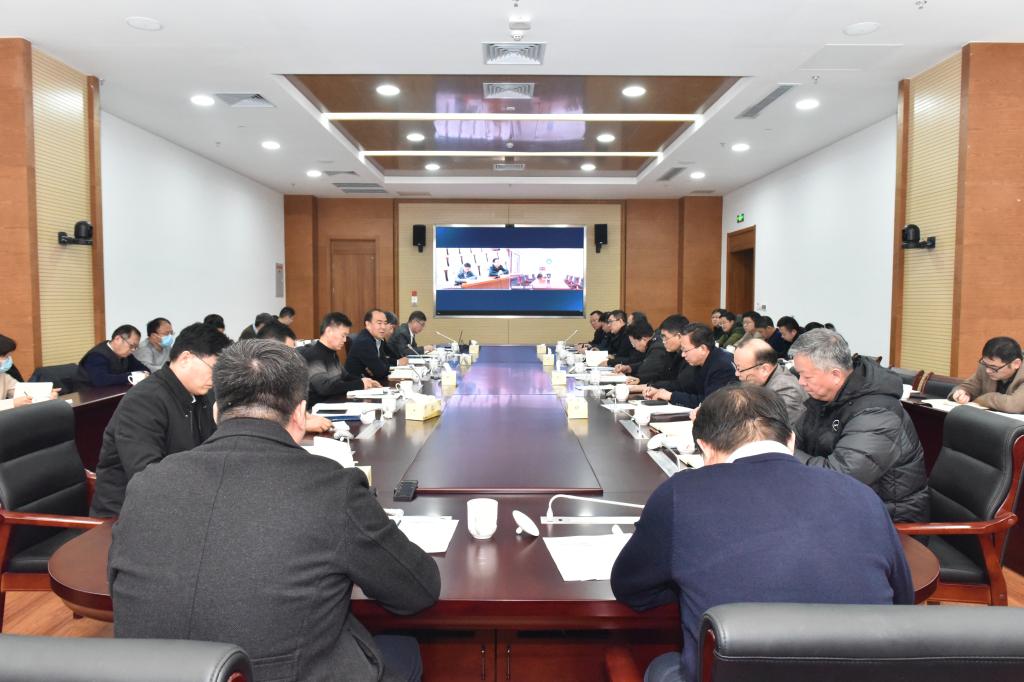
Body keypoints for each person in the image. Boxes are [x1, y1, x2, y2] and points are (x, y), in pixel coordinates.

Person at [109, 340, 440, 682]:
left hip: (151, 674)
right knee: (405, 649)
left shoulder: (147, 483)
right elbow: (417, 591)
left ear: (216, 411)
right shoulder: (331, 488)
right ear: (300, 414)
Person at [611, 384, 913, 682]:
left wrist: (687, 582)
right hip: (863, 673)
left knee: (662, 665)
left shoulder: (680, 493)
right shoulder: (861, 494)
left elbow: (631, 588)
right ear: (790, 440)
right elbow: (902, 599)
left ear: (704, 446)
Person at [90, 323, 231, 517]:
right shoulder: (143, 401)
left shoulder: (203, 396)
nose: (216, 379)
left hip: (178, 501)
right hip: (128, 513)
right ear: (186, 359)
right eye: (213, 369)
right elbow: (146, 475)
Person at [790, 329, 928, 522]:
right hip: (846, 506)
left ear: (835, 375)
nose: (800, 382)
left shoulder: (877, 414)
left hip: (886, 520)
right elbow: (794, 437)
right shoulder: (825, 399)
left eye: (806, 376)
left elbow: (841, 478)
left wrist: (785, 450)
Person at [256, 320, 336, 434]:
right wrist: (301, 425)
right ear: (269, 349)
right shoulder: (251, 378)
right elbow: (256, 424)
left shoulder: (280, 375)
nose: (292, 357)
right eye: (288, 352)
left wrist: (303, 416)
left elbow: (280, 410)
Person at [299, 312, 382, 406]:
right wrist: (360, 384)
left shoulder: (331, 353)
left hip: (334, 402)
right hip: (318, 408)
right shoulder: (313, 355)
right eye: (343, 335)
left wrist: (366, 381)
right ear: (329, 331)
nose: (345, 340)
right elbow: (325, 388)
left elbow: (345, 376)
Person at [644, 323, 736, 407]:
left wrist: (671, 396)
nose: (683, 355)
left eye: (685, 350)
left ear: (703, 349)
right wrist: (659, 391)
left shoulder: (723, 366)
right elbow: (686, 387)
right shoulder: (699, 361)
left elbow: (709, 403)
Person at [733, 338, 807, 426]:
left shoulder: (786, 390)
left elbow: (775, 430)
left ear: (764, 369)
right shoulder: (762, 382)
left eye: (739, 369)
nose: (736, 373)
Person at [950, 336, 1024, 413]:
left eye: (994, 367)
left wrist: (981, 399)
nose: (988, 371)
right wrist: (962, 393)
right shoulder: (986, 366)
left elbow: (1013, 405)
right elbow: (968, 387)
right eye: (985, 364)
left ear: (1016, 363)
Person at [75, 324, 150, 389]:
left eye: (136, 347)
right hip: (89, 395)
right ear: (118, 339)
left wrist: (143, 374)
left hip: (113, 392)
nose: (133, 350)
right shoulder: (96, 355)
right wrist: (132, 376)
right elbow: (101, 380)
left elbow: (144, 369)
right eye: (131, 345)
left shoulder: (126, 354)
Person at [346, 309, 409, 383]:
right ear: (368, 325)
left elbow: (383, 362)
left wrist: (384, 366)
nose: (383, 327)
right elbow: (380, 372)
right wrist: (380, 368)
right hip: (357, 384)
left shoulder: (378, 338)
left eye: (385, 323)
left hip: (371, 381)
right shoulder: (365, 341)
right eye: (379, 323)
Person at [1, 333, 59, 410]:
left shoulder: (3, 376)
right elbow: (15, 402)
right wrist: (12, 403)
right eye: (6, 356)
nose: (9, 360)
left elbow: (21, 391)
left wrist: (45, 393)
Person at [614, 320, 673, 386]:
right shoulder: (654, 342)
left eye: (633, 343)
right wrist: (629, 368)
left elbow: (645, 371)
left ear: (644, 339)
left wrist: (638, 379)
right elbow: (646, 363)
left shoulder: (657, 348)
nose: (633, 346)